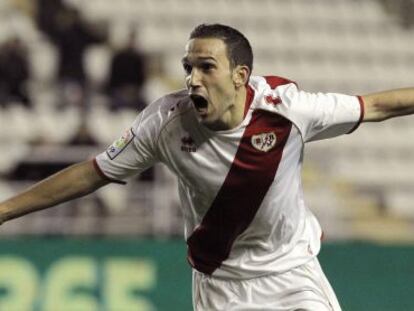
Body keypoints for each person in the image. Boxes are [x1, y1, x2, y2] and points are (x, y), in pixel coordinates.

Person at [0, 23, 413, 310]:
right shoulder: (165, 123)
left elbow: (375, 106)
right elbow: (93, 172)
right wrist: (5, 210)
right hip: (220, 285)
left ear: (240, 75)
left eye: (206, 67)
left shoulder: (287, 110)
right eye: (188, 68)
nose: (193, 79)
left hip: (291, 272)